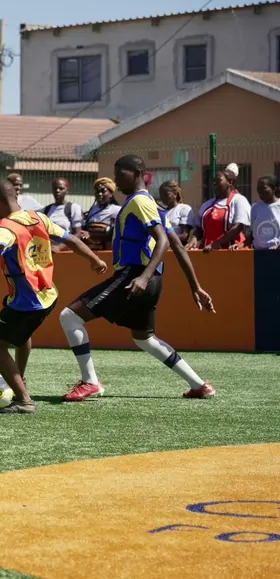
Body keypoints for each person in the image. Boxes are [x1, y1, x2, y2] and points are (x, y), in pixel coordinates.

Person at [0, 180, 107, 414]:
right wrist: (94, 260)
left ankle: (24, 400)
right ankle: (20, 380)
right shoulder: (39, 217)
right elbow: (72, 240)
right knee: (21, 335)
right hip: (47, 294)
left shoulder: (5, 227)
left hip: (28, 301)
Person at [60, 155, 215, 402]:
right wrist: (195, 286)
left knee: (69, 317)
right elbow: (179, 247)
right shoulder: (153, 205)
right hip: (151, 280)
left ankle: (90, 382)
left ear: (137, 172)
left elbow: (163, 242)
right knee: (144, 338)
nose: (116, 180)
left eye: (121, 174)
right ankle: (199, 385)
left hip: (134, 276)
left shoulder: (140, 202)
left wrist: (143, 276)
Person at [187, 163, 251, 252]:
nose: (214, 184)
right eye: (213, 182)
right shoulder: (207, 205)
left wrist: (217, 243)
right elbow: (199, 229)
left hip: (231, 252)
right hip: (207, 251)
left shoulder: (239, 200)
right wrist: (193, 239)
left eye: (218, 181)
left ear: (230, 182)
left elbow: (238, 227)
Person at [81, 177, 121, 250]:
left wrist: (92, 234)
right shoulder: (93, 210)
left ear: (111, 193)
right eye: (97, 191)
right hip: (91, 250)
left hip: (107, 251)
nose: (99, 194)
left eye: (103, 191)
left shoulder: (117, 210)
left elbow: (115, 233)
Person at [244, 175, 280, 250]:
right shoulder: (255, 207)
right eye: (258, 188)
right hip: (258, 255)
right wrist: (241, 245)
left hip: (276, 253)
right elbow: (252, 233)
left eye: (263, 188)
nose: (260, 191)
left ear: (274, 188)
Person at [157, 181, 193, 245]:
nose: (163, 198)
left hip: (178, 247)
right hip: (164, 248)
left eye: (166, 195)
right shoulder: (162, 212)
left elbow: (185, 235)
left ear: (175, 194)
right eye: (161, 196)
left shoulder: (184, 208)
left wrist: (164, 240)